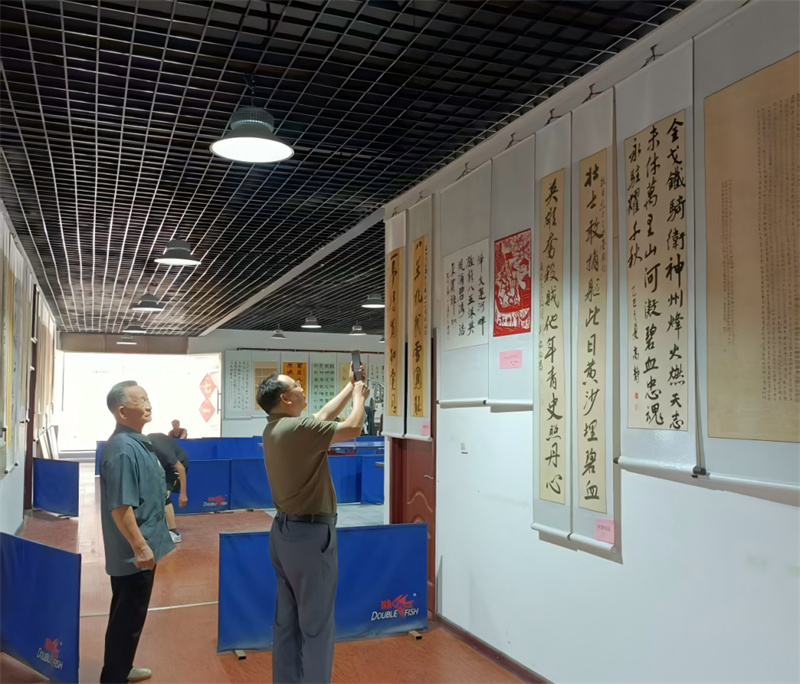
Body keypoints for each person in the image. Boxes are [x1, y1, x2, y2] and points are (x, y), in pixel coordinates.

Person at [258, 363, 369, 684]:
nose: (301, 388)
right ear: (285, 399)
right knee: (317, 626)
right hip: (309, 538)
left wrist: (349, 386)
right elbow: (353, 427)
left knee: (287, 622)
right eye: (295, 386)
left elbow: (322, 415)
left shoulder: (277, 428)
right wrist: (359, 397)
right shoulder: (296, 429)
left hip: (284, 534)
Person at [99, 381, 175, 684]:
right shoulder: (122, 449)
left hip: (143, 547)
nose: (148, 404)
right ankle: (113, 678)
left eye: (147, 398)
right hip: (134, 554)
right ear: (122, 411)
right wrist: (140, 547)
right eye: (140, 400)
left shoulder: (136, 442)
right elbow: (121, 506)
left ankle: (122, 667)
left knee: (129, 616)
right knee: (126, 620)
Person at [147, 432, 189, 543]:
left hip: (178, 466)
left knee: (164, 495)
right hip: (164, 466)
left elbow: (180, 468)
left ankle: (174, 533)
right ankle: (161, 527)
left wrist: (183, 494)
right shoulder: (144, 445)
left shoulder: (162, 449)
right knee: (155, 493)